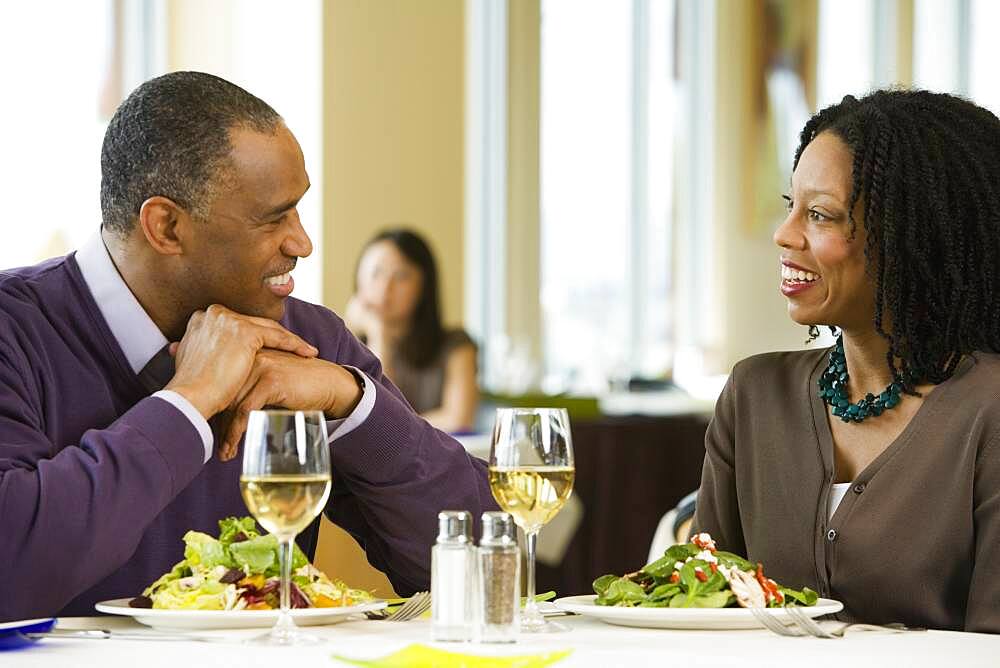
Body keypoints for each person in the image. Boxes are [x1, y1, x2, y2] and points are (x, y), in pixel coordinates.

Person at [0, 71, 496, 622]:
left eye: (299, 209)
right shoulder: (13, 332)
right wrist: (188, 401)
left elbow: (481, 569)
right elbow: (12, 571)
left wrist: (353, 402)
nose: (301, 242)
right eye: (273, 217)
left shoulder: (309, 343)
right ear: (165, 227)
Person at [692, 90, 1000, 632]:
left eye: (819, 215)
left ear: (911, 237)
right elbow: (700, 605)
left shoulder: (989, 411)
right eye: (791, 205)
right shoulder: (754, 395)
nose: (784, 235)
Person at [345, 229, 478, 432]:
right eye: (375, 273)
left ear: (424, 285)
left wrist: (400, 426)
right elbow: (378, 420)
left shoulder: (457, 345)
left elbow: (458, 420)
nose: (385, 288)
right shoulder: (343, 346)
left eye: (401, 276)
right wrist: (378, 335)